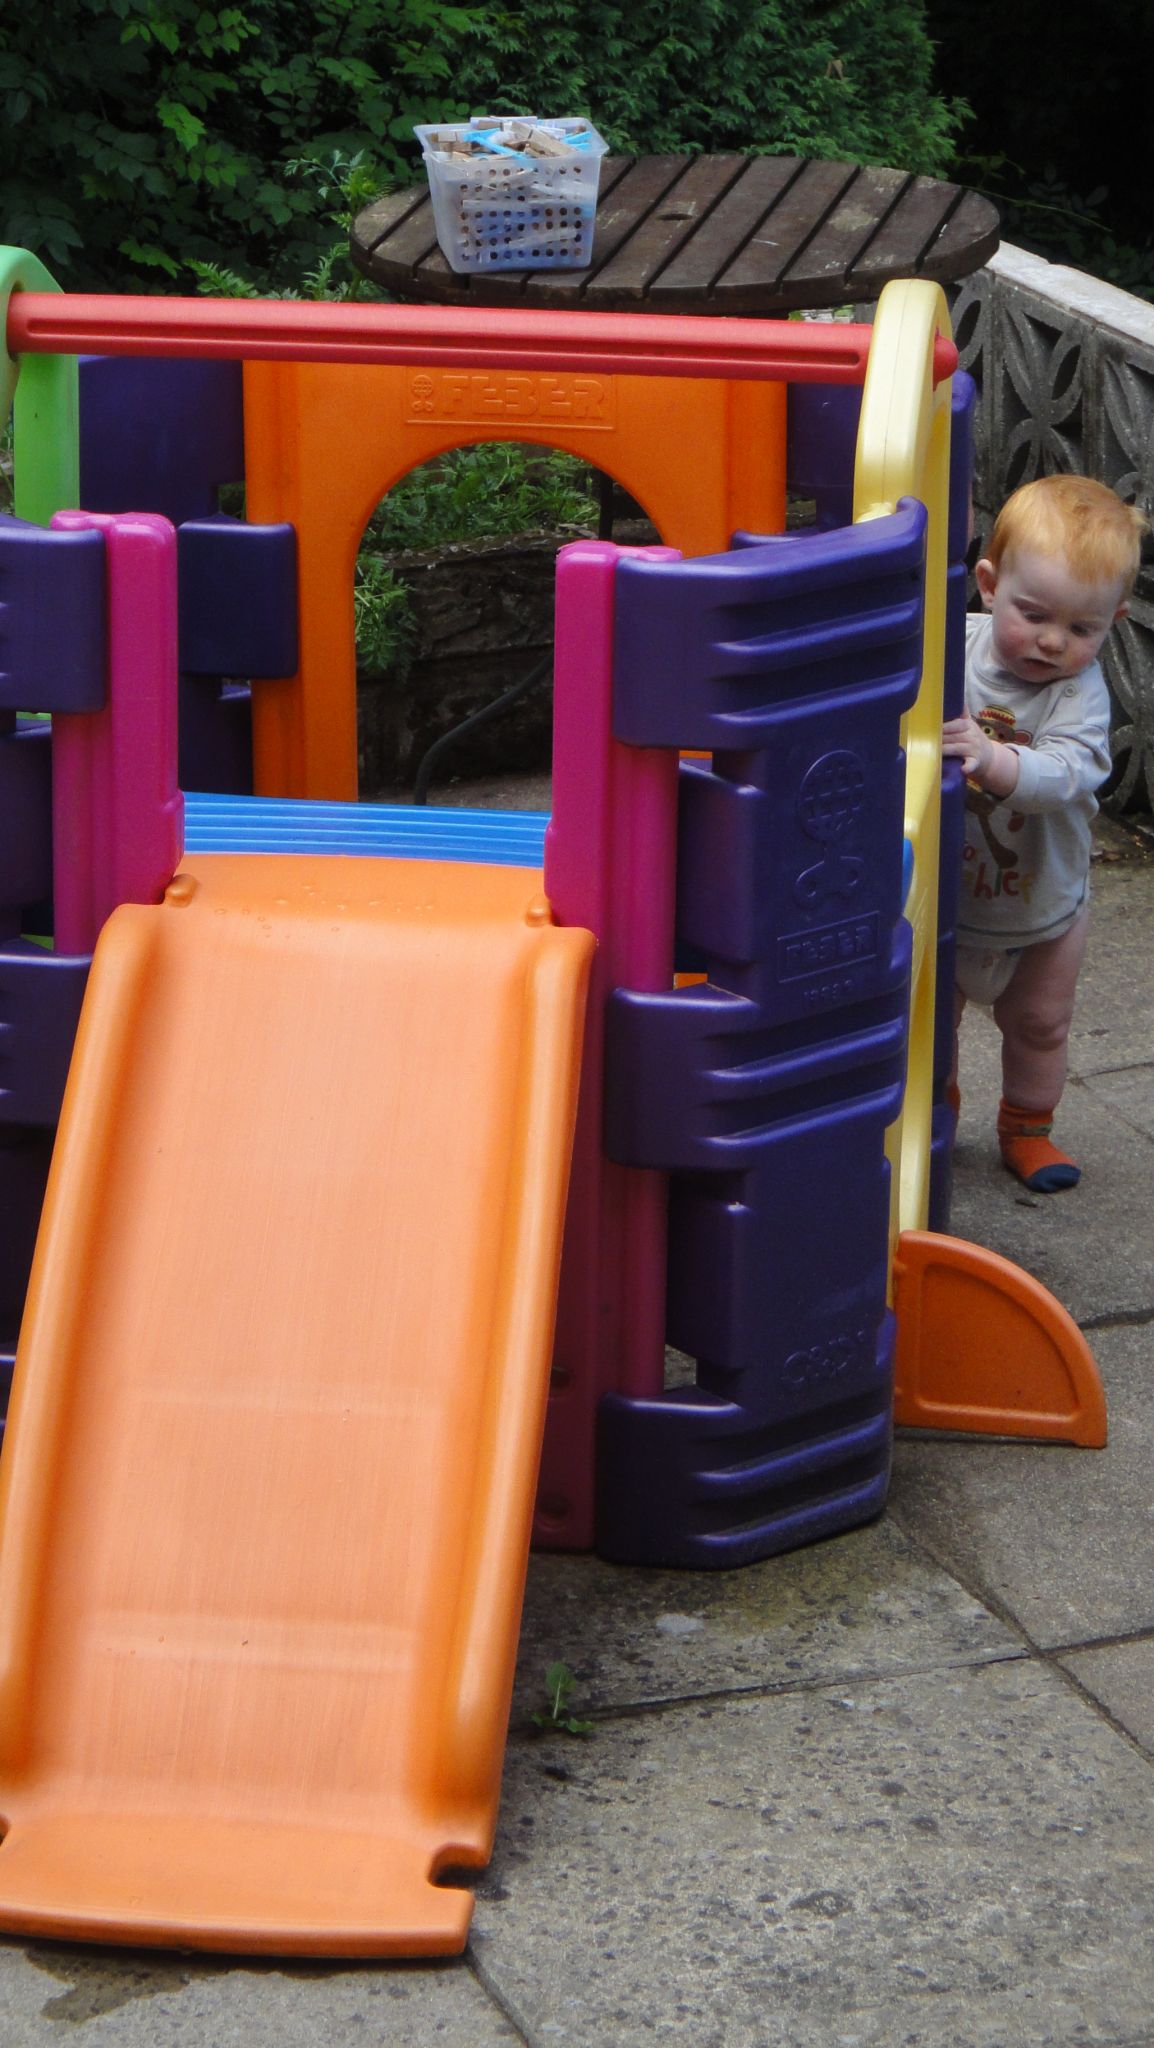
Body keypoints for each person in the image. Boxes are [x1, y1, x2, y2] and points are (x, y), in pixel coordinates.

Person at [942, 473, 1146, 1192]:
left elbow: (1066, 775)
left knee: (1041, 1025)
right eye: (1034, 614)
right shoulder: (952, 647)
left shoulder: (1079, 696)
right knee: (931, 1024)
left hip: (1042, 909)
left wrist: (991, 758)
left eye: (1083, 629)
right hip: (951, 901)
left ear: (1115, 620)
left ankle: (1028, 1129)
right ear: (989, 585)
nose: (1054, 641)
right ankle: (936, 1116)